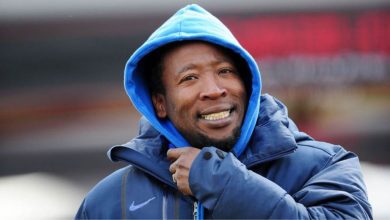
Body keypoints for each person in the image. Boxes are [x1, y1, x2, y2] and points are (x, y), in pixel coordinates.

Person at [76, 4, 372, 219]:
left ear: (249, 85)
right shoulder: (110, 202)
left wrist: (223, 182)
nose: (214, 89)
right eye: (189, 78)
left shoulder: (325, 165)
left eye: (225, 71)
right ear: (159, 103)